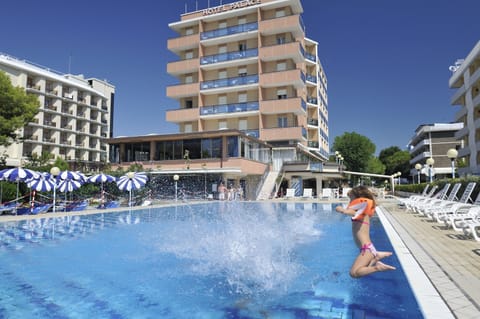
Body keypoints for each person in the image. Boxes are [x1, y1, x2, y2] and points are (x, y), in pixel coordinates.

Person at [335, 185, 396, 278]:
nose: (350, 202)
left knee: (354, 273)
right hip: (367, 248)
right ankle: (377, 255)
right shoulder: (362, 213)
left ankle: (377, 267)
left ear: (359, 199)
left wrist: (341, 210)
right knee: (360, 271)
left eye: (351, 199)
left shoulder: (359, 212)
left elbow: (350, 212)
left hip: (366, 250)